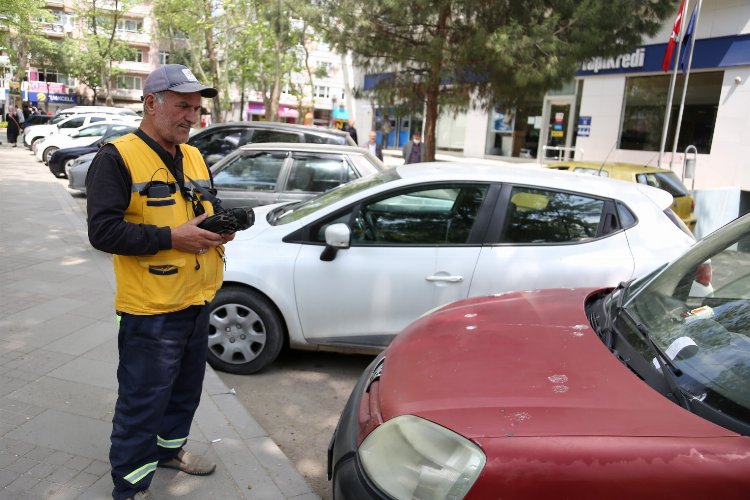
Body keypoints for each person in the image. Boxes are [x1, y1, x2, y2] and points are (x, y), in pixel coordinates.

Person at [86, 64, 233, 500]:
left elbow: (206, 203)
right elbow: (103, 232)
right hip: (149, 311)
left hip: (197, 298)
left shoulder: (192, 153)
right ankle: (130, 489)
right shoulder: (116, 157)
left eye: (197, 108)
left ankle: (170, 451)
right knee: (141, 404)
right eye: (182, 106)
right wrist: (173, 237)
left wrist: (218, 226)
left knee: (185, 392)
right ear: (151, 103)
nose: (192, 117)